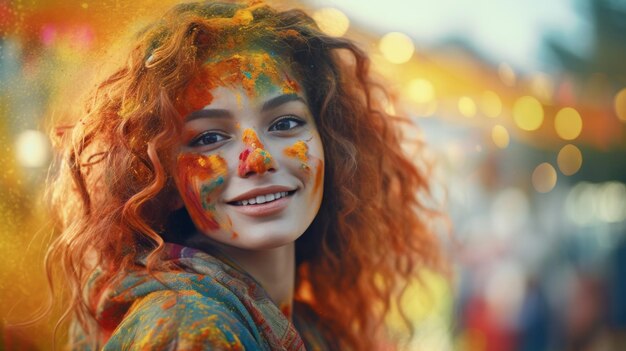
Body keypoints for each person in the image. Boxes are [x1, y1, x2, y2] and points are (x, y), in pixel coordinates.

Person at [45, 1, 445, 349]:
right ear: (160, 176)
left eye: (286, 124)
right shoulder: (191, 328)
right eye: (210, 137)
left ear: (333, 144)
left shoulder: (307, 324)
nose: (256, 160)